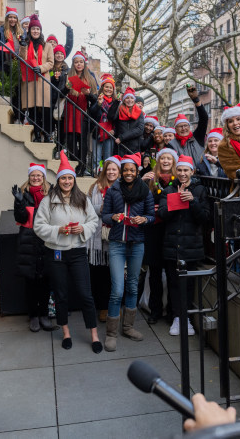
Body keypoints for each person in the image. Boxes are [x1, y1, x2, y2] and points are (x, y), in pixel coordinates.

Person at [33, 151, 102, 352]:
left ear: (74, 180)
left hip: (78, 252)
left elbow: (93, 221)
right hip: (56, 253)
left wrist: (83, 229)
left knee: (85, 295)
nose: (66, 181)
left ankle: (94, 335)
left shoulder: (82, 199)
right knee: (61, 295)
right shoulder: (48, 201)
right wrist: (58, 230)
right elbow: (38, 226)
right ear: (58, 180)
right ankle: (66, 332)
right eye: (63, 178)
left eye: (70, 178)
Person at [101, 153, 155, 350]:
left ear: (138, 171)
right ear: (122, 171)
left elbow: (152, 215)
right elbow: (104, 216)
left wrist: (144, 220)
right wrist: (113, 216)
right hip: (117, 243)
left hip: (137, 242)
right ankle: (111, 333)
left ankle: (128, 327)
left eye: (133, 170)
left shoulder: (145, 191)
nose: (129, 173)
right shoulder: (113, 190)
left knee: (133, 286)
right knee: (117, 290)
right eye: (126, 170)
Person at [158, 155, 211, 335]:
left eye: (185, 170)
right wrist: (178, 201)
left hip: (191, 246)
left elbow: (204, 217)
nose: (182, 173)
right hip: (172, 245)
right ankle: (176, 318)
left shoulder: (200, 190)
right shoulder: (168, 190)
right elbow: (163, 214)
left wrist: (192, 201)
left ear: (192, 172)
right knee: (174, 283)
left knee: (188, 285)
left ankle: (186, 318)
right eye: (179, 170)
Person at [12, 163, 53, 332]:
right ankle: (33, 316)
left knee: (45, 280)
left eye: (39, 175)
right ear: (29, 177)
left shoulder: (50, 194)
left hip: (45, 241)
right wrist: (19, 202)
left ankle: (44, 314)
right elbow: (20, 218)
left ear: (43, 178)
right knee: (31, 282)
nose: (36, 178)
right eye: (33, 175)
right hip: (28, 241)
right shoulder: (23, 194)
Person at [142, 147, 179, 323]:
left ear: (173, 163)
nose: (165, 161)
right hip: (154, 231)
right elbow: (139, 199)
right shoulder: (150, 179)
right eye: (163, 158)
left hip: (170, 230)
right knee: (155, 274)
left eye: (169, 159)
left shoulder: (178, 181)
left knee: (172, 274)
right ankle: (155, 310)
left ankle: (172, 312)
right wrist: (142, 181)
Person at [87, 156, 121, 322]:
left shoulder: (123, 187)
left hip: (116, 235)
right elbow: (87, 207)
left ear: (119, 171)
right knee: (98, 274)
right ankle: (100, 306)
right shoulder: (95, 187)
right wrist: (101, 208)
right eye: (109, 169)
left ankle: (112, 306)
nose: (111, 172)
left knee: (113, 274)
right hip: (96, 238)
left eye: (114, 169)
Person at [18, 14, 54, 142]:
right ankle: (37, 135)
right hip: (30, 82)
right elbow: (21, 58)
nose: (35, 31)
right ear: (29, 30)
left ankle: (47, 136)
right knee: (33, 111)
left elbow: (51, 62)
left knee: (44, 112)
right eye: (33, 29)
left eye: (37, 29)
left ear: (40, 31)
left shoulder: (47, 46)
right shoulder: (26, 44)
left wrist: (41, 68)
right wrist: (22, 46)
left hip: (43, 81)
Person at [64, 50, 98, 174]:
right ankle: (76, 161)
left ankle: (82, 167)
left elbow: (95, 99)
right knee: (71, 141)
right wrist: (66, 88)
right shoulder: (67, 75)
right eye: (76, 62)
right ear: (73, 64)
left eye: (81, 62)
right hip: (70, 111)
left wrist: (88, 94)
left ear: (84, 63)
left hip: (83, 112)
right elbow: (61, 94)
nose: (79, 64)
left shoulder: (91, 78)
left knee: (82, 142)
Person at [167, 87, 209, 163]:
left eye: (186, 125)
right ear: (175, 129)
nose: (183, 128)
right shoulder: (171, 145)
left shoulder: (197, 137)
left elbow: (204, 119)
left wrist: (196, 100)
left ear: (189, 127)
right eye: (180, 126)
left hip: (202, 174)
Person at [89, 73, 117, 166]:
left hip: (109, 132)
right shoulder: (97, 98)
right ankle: (95, 172)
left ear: (113, 90)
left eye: (110, 87)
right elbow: (91, 112)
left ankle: (106, 176)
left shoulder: (116, 103)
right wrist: (98, 104)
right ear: (102, 87)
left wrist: (114, 130)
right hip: (97, 130)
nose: (108, 89)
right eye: (106, 87)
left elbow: (118, 119)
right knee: (96, 156)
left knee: (108, 158)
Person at [109, 86, 144, 155]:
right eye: (127, 98)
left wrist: (122, 137)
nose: (129, 100)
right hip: (120, 147)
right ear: (124, 100)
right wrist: (116, 102)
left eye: (131, 98)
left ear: (134, 100)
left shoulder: (139, 112)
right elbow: (111, 117)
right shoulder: (119, 110)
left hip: (133, 147)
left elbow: (140, 129)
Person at [50, 44, 69, 139]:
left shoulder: (67, 69)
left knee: (61, 126)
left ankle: (59, 149)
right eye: (57, 53)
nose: (59, 55)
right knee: (50, 123)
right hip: (50, 98)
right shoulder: (50, 66)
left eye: (61, 53)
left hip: (61, 99)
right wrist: (54, 78)